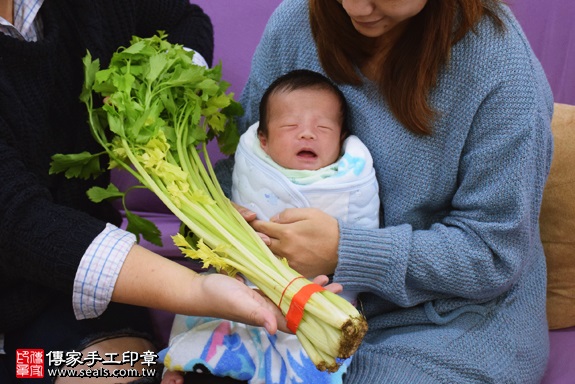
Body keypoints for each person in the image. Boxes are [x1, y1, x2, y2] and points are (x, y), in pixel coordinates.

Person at [213, 0, 555, 383]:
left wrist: (345, 251)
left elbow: (492, 255)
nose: (355, 7)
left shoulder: (500, 64)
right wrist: (225, 219)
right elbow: (245, 162)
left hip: (446, 325)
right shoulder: (297, 22)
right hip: (294, 305)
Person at [0, 2, 325, 383]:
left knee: (122, 370)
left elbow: (181, 19)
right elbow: (17, 219)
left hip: (68, 296)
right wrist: (197, 290)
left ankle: (24, 367)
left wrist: (160, 91)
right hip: (27, 274)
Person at [160, 69, 380, 384]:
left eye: (323, 127)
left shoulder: (350, 180)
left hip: (314, 297)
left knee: (313, 360)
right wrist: (220, 222)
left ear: (342, 139)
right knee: (213, 345)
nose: (307, 134)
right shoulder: (245, 165)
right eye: (291, 126)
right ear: (263, 140)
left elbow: (365, 244)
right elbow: (196, 230)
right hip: (240, 288)